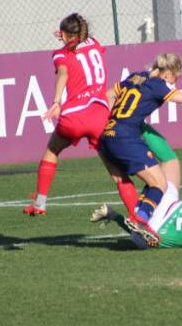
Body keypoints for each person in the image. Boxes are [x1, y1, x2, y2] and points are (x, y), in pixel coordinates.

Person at [98, 53, 182, 247]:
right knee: (161, 184)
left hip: (108, 135)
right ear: (168, 73)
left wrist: (113, 121)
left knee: (147, 181)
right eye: (176, 77)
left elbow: (108, 96)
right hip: (126, 137)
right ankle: (139, 219)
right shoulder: (159, 86)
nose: (176, 81)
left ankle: (139, 218)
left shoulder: (136, 76)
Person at [23, 13, 111, 215]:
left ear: (64, 34)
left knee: (52, 149)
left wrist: (56, 102)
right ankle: (138, 213)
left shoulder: (60, 54)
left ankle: (40, 203)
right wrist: (67, 37)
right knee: (114, 171)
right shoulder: (95, 43)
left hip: (74, 116)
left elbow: (63, 73)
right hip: (98, 115)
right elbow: (82, 43)